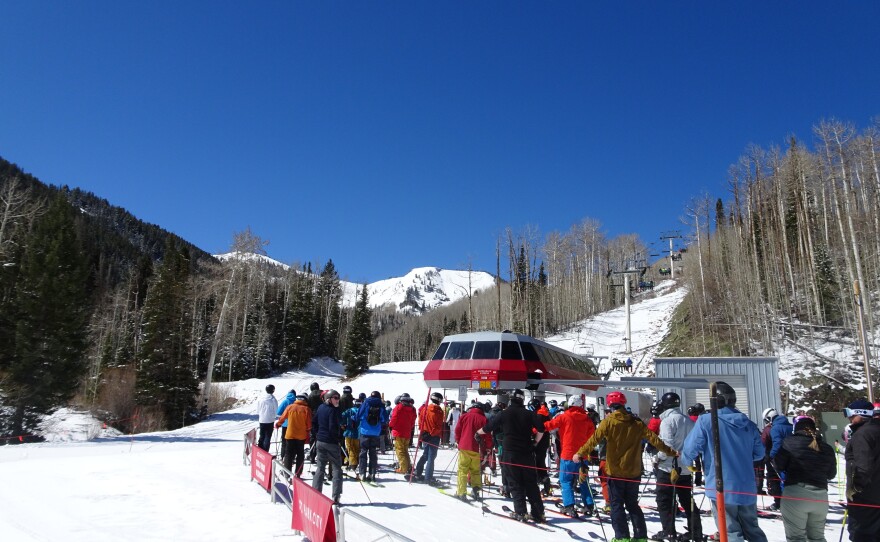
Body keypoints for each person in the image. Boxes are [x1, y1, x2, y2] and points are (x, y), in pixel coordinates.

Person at [573, 391, 676, 542]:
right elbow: (654, 439)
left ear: (610, 405)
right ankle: (640, 537)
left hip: (615, 471)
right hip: (634, 471)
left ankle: (622, 537)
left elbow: (594, 440)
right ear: (624, 403)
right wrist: (671, 452)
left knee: (616, 505)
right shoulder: (636, 422)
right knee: (633, 505)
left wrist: (580, 454)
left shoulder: (608, 422)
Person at [681, 382, 767, 542]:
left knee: (730, 532)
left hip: (721, 487)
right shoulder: (748, 423)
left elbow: (690, 450)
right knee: (753, 530)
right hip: (747, 486)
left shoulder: (706, 421)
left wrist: (686, 462)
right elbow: (759, 453)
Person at [478, 389, 546, 523]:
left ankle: (521, 512)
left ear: (510, 399)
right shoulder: (529, 413)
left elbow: (489, 427)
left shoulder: (504, 414)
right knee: (531, 483)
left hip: (510, 453)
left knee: (515, 482)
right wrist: (535, 442)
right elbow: (541, 429)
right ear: (522, 399)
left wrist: (477, 432)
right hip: (527, 452)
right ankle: (538, 513)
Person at [773, 416, 835, 542]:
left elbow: (778, 464)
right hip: (820, 496)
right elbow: (831, 474)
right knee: (817, 537)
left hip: (796, 493)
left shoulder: (788, 442)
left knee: (796, 537)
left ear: (796, 429)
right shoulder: (827, 448)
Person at [652, 392, 702, 542]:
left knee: (664, 500)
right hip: (685, 468)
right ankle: (695, 532)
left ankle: (668, 531)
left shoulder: (667, 421)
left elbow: (667, 446)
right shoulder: (689, 421)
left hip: (668, 468)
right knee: (688, 501)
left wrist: (657, 458)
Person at [544, 395, 595, 517]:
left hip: (567, 455)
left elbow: (550, 425)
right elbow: (592, 437)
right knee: (584, 481)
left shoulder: (564, 416)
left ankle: (569, 506)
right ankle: (589, 505)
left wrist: (534, 428)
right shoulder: (587, 419)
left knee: (566, 481)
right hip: (582, 455)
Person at [844, 398, 880, 542]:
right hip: (875, 496)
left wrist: (854, 489)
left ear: (859, 414)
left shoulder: (862, 434)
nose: (849, 418)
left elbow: (863, 467)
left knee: (862, 535)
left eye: (849, 413)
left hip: (865, 499)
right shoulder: (874, 431)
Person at [454, 401, 492, 501]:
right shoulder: (484, 419)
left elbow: (457, 430)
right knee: (475, 471)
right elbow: (488, 435)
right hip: (477, 448)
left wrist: (458, 441)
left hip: (464, 447)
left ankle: (461, 492)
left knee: (462, 470)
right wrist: (488, 448)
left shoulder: (464, 416)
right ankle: (476, 491)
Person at [311, 388, 343, 504]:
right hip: (331, 442)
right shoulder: (332, 411)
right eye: (335, 398)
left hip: (321, 441)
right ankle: (336, 495)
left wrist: (316, 434)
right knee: (336, 469)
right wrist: (338, 438)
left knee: (320, 467)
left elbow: (314, 422)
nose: (337, 400)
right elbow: (332, 427)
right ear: (328, 399)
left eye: (338, 398)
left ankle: (316, 492)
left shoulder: (321, 408)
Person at [275, 392, 311, 478]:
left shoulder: (290, 407)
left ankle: (287, 473)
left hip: (290, 434)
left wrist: (278, 424)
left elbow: (282, 418)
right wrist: (308, 432)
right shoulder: (307, 409)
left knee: (288, 454)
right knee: (300, 454)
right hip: (301, 436)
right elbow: (309, 425)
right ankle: (298, 473)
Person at [413, 392, 444, 486]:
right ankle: (428, 477)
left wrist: (424, 432)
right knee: (431, 457)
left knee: (426, 455)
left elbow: (420, 421)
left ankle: (418, 472)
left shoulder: (425, 409)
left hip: (425, 435)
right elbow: (438, 425)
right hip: (434, 436)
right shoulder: (438, 411)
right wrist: (432, 433)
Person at [764, 406, 792, 511]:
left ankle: (784, 505)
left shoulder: (775, 428)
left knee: (783, 481)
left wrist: (770, 456)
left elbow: (777, 444)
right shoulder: (790, 426)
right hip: (793, 458)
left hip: (781, 458)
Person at [356, 390, 388, 482]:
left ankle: (362, 474)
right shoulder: (381, 405)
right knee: (373, 453)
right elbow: (384, 419)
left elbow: (358, 415)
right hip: (375, 433)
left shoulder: (366, 403)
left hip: (365, 432)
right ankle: (372, 473)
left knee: (363, 452)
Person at [389, 394, 417, 474]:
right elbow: (413, 420)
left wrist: (390, 425)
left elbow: (394, 418)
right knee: (405, 450)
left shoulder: (398, 407)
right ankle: (408, 466)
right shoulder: (412, 408)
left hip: (398, 431)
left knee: (400, 450)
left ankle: (403, 468)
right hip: (407, 432)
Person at [340, 395, 361, 470]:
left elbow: (341, 416)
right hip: (359, 433)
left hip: (349, 432)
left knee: (350, 448)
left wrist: (342, 425)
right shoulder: (362, 411)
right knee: (357, 448)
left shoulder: (350, 410)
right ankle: (357, 462)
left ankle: (353, 464)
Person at [687, 403, 706, 487]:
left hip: (691, 444)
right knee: (701, 463)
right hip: (702, 444)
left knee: (691, 463)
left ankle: (690, 480)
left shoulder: (687, 420)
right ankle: (699, 480)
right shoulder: (701, 419)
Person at [275, 389, 297, 460]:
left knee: (284, 441)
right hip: (293, 424)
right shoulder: (296, 402)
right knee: (292, 441)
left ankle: (283, 455)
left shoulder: (285, 401)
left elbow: (278, 412)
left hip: (285, 424)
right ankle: (292, 457)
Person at [256, 384, 278, 452]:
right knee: (268, 437)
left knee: (261, 435)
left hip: (262, 419)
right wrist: (274, 417)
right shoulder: (273, 399)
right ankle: (265, 451)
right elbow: (276, 410)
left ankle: (260, 449)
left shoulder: (261, 398)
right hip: (270, 420)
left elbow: (258, 410)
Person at [306, 382, 323, 463]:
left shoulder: (310, 396)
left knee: (313, 437)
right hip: (322, 417)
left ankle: (312, 455)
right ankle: (321, 456)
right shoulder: (322, 394)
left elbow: (308, 407)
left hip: (313, 417)